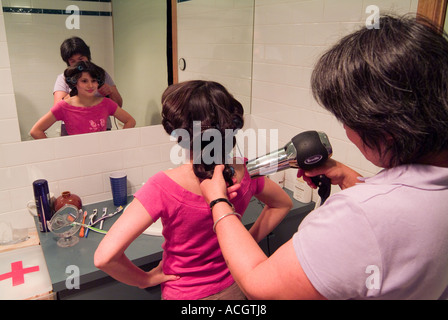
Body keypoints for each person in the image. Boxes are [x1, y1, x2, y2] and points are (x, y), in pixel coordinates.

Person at [199, 15, 448, 300]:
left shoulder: (358, 217)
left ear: (385, 131)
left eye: (345, 118)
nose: (344, 129)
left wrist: (218, 204)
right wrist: (346, 176)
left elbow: (260, 287)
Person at [94, 80, 292, 300]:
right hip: (236, 286)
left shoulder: (162, 186)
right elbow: (282, 204)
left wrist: (144, 280)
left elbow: (104, 257)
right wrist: (244, 243)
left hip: (186, 294)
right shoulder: (244, 170)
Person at [30, 61, 135, 139]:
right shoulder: (63, 106)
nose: (90, 85)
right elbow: (36, 131)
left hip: (102, 157)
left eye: (94, 81)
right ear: (75, 82)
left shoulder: (107, 104)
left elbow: (130, 121)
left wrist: (120, 142)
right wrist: (56, 151)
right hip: (76, 159)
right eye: (84, 81)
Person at [54, 37, 123, 134]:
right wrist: (76, 92)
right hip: (72, 128)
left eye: (81, 58)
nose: (78, 63)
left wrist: (110, 90)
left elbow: (119, 105)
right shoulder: (63, 78)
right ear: (68, 62)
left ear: (88, 56)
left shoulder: (102, 74)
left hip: (101, 126)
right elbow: (57, 109)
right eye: (73, 61)